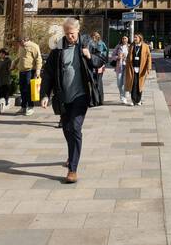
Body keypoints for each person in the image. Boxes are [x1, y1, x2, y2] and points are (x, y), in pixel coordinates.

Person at [40, 18, 98, 184]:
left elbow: (102, 60)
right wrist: (45, 95)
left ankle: (72, 169)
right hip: (63, 97)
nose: (70, 37)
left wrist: (90, 56)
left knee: (75, 128)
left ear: (78, 31)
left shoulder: (86, 44)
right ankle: (71, 153)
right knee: (66, 129)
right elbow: (49, 73)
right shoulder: (58, 49)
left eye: (72, 33)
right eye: (67, 34)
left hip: (81, 95)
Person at [13, 34, 42, 116]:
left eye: (19, 43)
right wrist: (14, 64)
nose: (19, 45)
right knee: (22, 90)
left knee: (29, 90)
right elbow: (19, 57)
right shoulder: (21, 47)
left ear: (23, 40)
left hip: (30, 71)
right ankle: (23, 107)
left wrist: (38, 70)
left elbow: (38, 59)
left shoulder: (34, 46)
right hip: (21, 71)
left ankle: (30, 107)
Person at [125, 31, 152, 107]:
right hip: (132, 68)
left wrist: (148, 68)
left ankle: (139, 100)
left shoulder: (146, 46)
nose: (134, 39)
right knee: (133, 84)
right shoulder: (132, 46)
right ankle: (133, 100)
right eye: (134, 37)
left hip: (141, 69)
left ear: (140, 38)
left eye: (136, 37)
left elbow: (149, 57)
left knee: (139, 85)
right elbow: (128, 56)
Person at [87, 30, 110, 105]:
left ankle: (97, 100)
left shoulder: (99, 44)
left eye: (95, 36)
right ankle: (96, 100)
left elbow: (103, 55)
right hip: (95, 65)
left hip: (98, 65)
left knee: (97, 82)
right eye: (93, 36)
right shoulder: (92, 43)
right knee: (95, 82)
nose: (94, 38)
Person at [0, 47, 15, 115]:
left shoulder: (8, 60)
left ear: (5, 54)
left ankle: (6, 99)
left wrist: (11, 68)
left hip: (5, 77)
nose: (1, 54)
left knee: (5, 90)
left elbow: (10, 68)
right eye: (0, 53)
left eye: (2, 53)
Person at [109, 34, 130, 104]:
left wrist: (127, 58)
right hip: (119, 67)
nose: (124, 40)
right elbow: (112, 56)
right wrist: (118, 57)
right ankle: (122, 95)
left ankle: (124, 97)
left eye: (125, 38)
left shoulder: (130, 47)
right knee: (119, 83)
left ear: (128, 39)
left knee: (125, 83)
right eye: (123, 38)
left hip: (127, 67)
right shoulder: (118, 47)